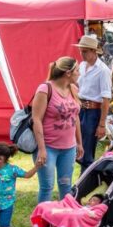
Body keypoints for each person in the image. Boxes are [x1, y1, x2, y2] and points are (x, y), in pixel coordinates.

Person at [32, 57, 82, 204]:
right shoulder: (45, 89)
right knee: (47, 187)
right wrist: (41, 149)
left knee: (66, 185)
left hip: (69, 147)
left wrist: (79, 142)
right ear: (68, 73)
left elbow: (75, 117)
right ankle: (42, 223)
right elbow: (37, 119)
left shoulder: (73, 89)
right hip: (48, 147)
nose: (79, 74)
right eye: (77, 71)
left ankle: (64, 221)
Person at [75, 35, 112, 173]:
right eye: (81, 51)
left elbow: (106, 99)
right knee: (78, 145)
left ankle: (85, 179)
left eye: (84, 51)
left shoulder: (103, 70)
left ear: (93, 51)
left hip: (93, 112)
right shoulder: (82, 65)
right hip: (80, 109)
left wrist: (102, 124)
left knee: (87, 149)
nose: (82, 54)